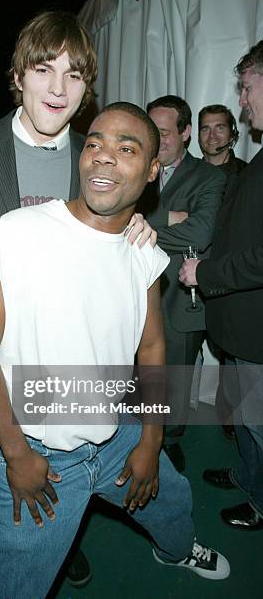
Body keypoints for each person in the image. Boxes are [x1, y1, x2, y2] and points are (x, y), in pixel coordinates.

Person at [0, 11, 153, 586]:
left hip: (63, 371)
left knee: (66, 482)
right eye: (44, 70)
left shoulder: (96, 162)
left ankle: (61, 539)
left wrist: (139, 225)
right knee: (1, 487)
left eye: (74, 75)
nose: (59, 88)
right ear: (18, 76)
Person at [0, 101, 229, 598]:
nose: (103, 157)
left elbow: (152, 346)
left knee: (173, 502)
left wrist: (151, 441)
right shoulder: (16, 234)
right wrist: (17, 454)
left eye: (126, 148)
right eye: (95, 144)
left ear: (153, 170)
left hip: (119, 434)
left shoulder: (143, 253)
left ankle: (177, 548)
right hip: (39, 454)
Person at [179, 40, 263, 531]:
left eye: (247, 88)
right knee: (247, 423)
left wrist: (204, 274)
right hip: (238, 330)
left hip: (253, 333)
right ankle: (250, 480)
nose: (244, 100)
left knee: (256, 422)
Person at [136, 95, 225, 472]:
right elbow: (114, 211)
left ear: (186, 133)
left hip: (178, 300)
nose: (155, 141)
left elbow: (201, 232)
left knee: (174, 377)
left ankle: (169, 440)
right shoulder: (139, 166)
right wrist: (168, 216)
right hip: (133, 294)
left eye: (164, 133)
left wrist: (142, 222)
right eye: (150, 132)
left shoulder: (210, 177)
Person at [198, 104, 247, 441]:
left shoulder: (247, 176)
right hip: (185, 279)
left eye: (219, 127)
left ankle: (231, 427)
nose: (212, 135)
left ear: (232, 133)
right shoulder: (185, 173)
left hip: (229, 283)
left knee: (232, 361)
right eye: (205, 128)